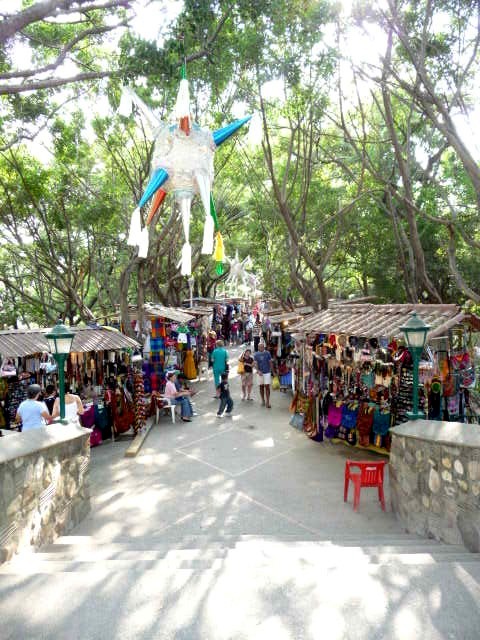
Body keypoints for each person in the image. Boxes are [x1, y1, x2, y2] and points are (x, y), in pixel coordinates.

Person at [254, 342, 273, 408]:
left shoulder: (267, 353)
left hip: (267, 372)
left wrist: (272, 371)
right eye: (259, 347)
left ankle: (268, 401)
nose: (260, 348)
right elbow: (255, 364)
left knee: (267, 387)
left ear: (264, 347)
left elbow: (270, 362)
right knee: (261, 387)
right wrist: (258, 371)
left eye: (262, 346)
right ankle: (263, 400)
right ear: (258, 347)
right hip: (260, 373)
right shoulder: (256, 354)